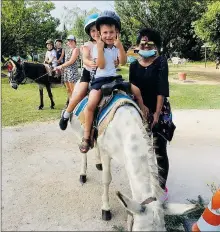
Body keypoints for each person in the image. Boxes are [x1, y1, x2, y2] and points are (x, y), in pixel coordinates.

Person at [79, 11, 147, 153]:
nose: (108, 36)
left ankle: (144, 114)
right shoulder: (98, 47)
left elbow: (122, 62)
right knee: (91, 105)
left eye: (111, 32)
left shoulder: (116, 47)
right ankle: (86, 136)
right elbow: (102, 66)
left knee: (136, 90)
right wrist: (99, 49)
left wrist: (120, 46)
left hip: (114, 78)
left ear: (117, 33)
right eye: (105, 33)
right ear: (99, 33)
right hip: (100, 79)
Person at [129, 28, 170, 199]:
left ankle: (161, 188)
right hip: (140, 110)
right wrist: (142, 107)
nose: (146, 46)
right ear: (138, 46)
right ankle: (145, 184)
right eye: (142, 43)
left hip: (160, 110)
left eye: (150, 43)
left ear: (156, 46)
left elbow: (162, 88)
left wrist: (157, 113)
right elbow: (133, 88)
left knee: (159, 149)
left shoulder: (161, 62)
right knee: (142, 149)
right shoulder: (133, 64)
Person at [59, 13, 100, 130]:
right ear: (89, 33)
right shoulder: (87, 45)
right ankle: (66, 114)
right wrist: (90, 62)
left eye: (98, 30)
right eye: (93, 31)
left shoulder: (107, 44)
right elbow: (85, 59)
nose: (96, 33)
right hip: (89, 74)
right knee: (79, 92)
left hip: (104, 73)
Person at [55, 35, 80, 102]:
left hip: (72, 72)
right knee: (68, 90)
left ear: (75, 42)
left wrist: (61, 66)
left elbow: (71, 61)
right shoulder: (68, 50)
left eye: (72, 41)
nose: (70, 42)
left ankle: (74, 105)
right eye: (69, 41)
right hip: (66, 72)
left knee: (73, 90)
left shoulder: (76, 49)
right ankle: (70, 103)